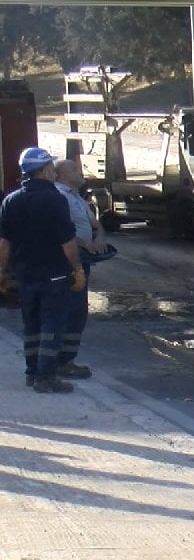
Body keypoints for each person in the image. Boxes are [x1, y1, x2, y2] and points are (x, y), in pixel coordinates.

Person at [0, 147, 86, 393]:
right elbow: (67, 242)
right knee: (52, 324)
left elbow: (4, 243)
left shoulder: (11, 200)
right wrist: (77, 269)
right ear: (46, 170)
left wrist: (2, 271)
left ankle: (32, 372)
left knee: (31, 324)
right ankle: (46, 377)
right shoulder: (54, 199)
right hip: (54, 274)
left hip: (25, 275)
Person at [54, 159, 108, 380]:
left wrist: (99, 240)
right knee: (69, 311)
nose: (80, 171)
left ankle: (68, 359)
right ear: (61, 175)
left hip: (84, 260)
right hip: (68, 262)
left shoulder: (77, 198)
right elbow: (59, 232)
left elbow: (96, 225)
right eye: (74, 169)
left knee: (79, 312)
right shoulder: (59, 197)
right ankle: (60, 361)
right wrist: (84, 244)